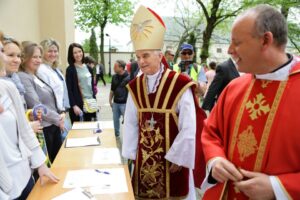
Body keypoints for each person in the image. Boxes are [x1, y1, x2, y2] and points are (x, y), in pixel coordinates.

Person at [201, 5, 300, 199]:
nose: (230, 50)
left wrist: (278, 187)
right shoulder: (235, 87)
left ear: (266, 40)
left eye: (237, 43)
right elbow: (211, 132)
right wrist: (215, 160)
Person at [122, 6, 206, 199]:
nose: (141, 61)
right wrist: (132, 156)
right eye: (138, 57)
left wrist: (180, 157)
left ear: (159, 56)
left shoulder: (180, 84)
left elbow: (188, 126)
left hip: (173, 162)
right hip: (144, 162)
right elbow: (131, 123)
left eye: (145, 56)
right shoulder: (134, 87)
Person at [0, 35, 59, 200]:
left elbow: (23, 129)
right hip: (6, 186)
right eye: (6, 53)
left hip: (23, 174)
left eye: (18, 56)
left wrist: (41, 165)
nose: (15, 60)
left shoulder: (9, 87)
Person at [18, 42, 63, 163]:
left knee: (57, 162)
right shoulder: (23, 77)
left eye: (39, 57)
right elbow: (36, 105)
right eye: (34, 57)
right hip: (44, 129)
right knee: (50, 165)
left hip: (52, 125)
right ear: (25, 57)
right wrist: (58, 118)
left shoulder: (36, 75)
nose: (38, 60)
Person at [38, 39, 71, 141]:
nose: (53, 54)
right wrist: (58, 116)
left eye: (55, 51)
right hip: (53, 116)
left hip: (61, 113)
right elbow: (49, 95)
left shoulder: (54, 69)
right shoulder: (41, 70)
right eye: (50, 51)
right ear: (42, 52)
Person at [66, 43, 97, 123]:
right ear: (71, 55)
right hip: (78, 105)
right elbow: (69, 90)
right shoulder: (70, 70)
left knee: (90, 130)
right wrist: (74, 106)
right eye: (75, 52)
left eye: (80, 51)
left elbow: (91, 87)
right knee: (78, 132)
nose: (78, 54)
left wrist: (94, 100)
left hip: (90, 103)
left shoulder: (88, 68)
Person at [109, 60, 130, 138]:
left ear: (121, 67)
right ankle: (116, 134)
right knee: (115, 120)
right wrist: (110, 100)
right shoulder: (114, 77)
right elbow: (112, 90)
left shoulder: (129, 77)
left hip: (125, 104)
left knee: (127, 121)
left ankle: (127, 136)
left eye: (115, 67)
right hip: (116, 103)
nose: (113, 68)